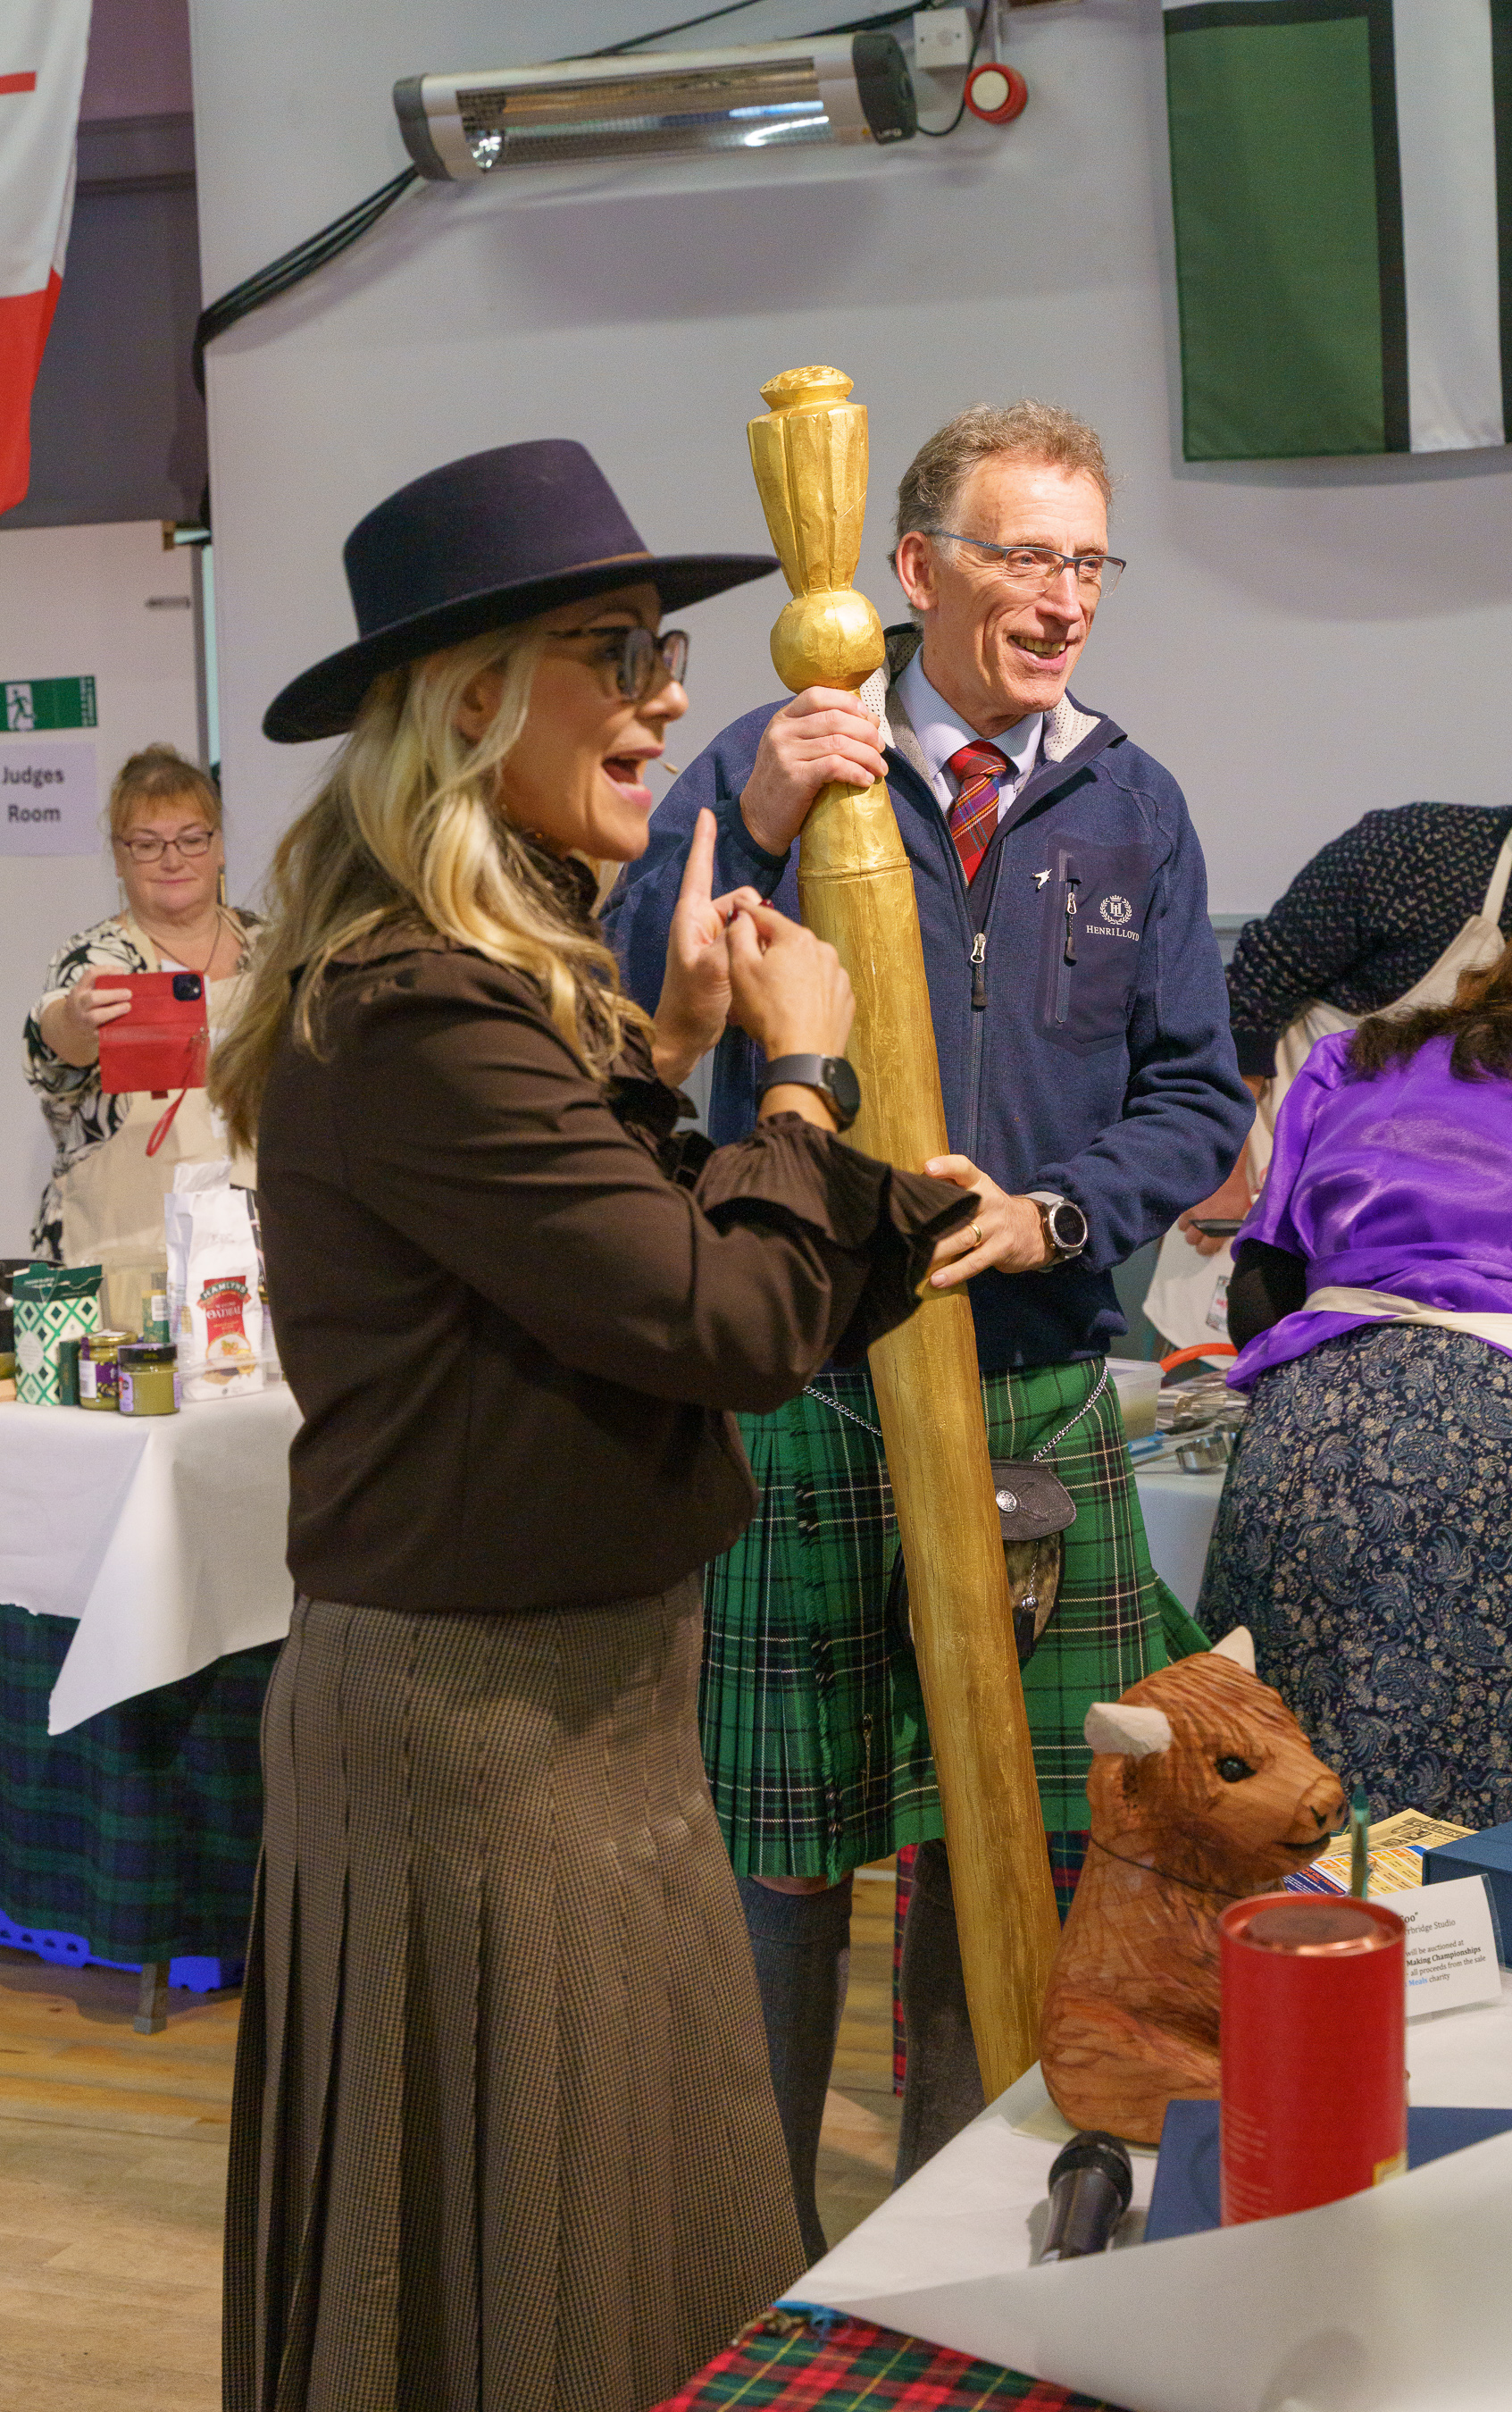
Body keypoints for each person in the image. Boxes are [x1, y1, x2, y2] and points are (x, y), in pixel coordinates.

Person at [208, 440, 972, 2412]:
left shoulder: (487, 993)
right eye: (611, 652)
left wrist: (675, 1058)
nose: (663, 696)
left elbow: (579, 1272)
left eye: (665, 649)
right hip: (480, 1734)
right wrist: (801, 1084)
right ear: (469, 702)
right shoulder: (419, 1008)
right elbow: (713, 1321)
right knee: (525, 2262)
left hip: (587, 1711)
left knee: (639, 2236)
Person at [606, 399, 1251, 2246]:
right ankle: (748, 2249)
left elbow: (1198, 1098)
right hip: (805, 1382)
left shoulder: (1134, 803)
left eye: (1086, 561)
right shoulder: (767, 759)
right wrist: (746, 820)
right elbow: (634, 997)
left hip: (1037, 1377)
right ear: (915, 571)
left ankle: (965, 2239)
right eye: (1023, 555)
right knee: (786, 1863)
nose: (1063, 600)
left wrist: (1060, 1211)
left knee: (1019, 1842)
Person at [1197, 893, 1512, 1830]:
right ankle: (1463, 1964)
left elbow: (1259, 1286)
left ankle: (1276, 1964)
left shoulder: (1358, 1060)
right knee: (1496, 1748)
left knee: (1281, 1741)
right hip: (1508, 1443)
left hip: (1311, 1427)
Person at [1148, 699, 1512, 1347]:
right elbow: (1252, 993)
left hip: (1491, 1238)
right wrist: (1218, 1171)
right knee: (1246, 1356)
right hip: (1297, 1165)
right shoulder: (1413, 856)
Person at [22, 744, 256, 1279]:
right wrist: (79, 1021)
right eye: (148, 845)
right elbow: (57, 1041)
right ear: (119, 856)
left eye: (192, 840)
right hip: (119, 1249)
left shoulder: (273, 947)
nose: (173, 860)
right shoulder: (93, 958)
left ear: (219, 847)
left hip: (257, 1243)